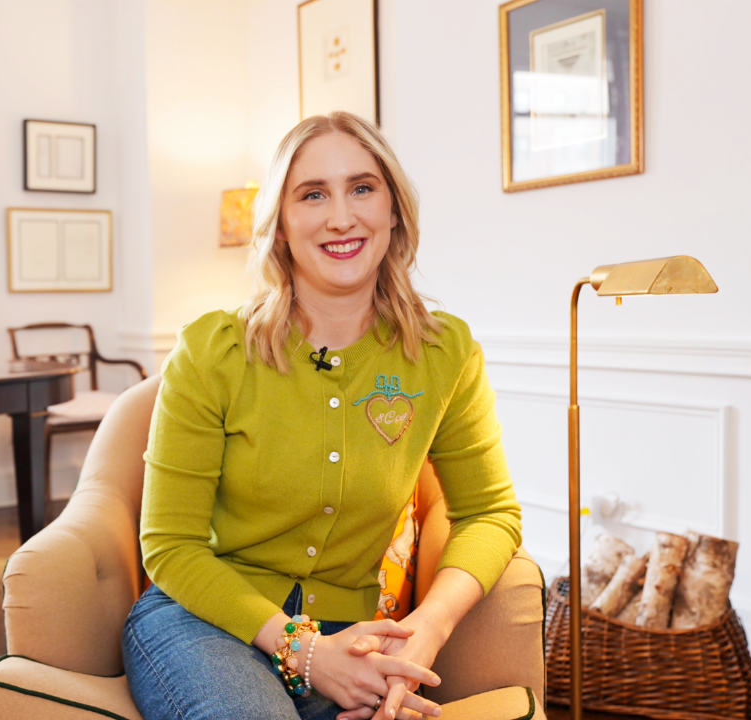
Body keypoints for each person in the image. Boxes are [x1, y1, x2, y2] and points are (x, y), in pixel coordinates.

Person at [122, 111, 522, 720]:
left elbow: (489, 513)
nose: (341, 217)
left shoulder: (446, 354)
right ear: (281, 225)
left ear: (394, 209)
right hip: (204, 621)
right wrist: (306, 653)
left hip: (351, 637)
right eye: (312, 194)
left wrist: (426, 628)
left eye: (362, 188)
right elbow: (170, 546)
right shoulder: (213, 352)